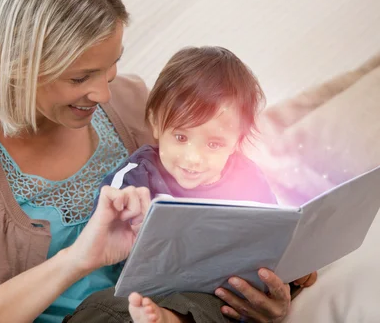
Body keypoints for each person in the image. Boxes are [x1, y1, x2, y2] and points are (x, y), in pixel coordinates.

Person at [0, 0, 297, 323]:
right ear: (13, 67)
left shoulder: (134, 103)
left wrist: (264, 290)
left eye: (111, 65)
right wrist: (78, 258)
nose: (103, 92)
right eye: (81, 76)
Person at [92, 46, 317, 322]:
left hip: (216, 295)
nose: (194, 159)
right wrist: (127, 225)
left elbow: (270, 238)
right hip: (147, 293)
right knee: (116, 305)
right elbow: (100, 234)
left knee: (237, 297)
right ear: (156, 122)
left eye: (214, 143)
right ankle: (165, 317)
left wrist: (294, 267)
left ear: (237, 141)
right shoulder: (135, 177)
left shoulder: (247, 178)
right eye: (181, 138)